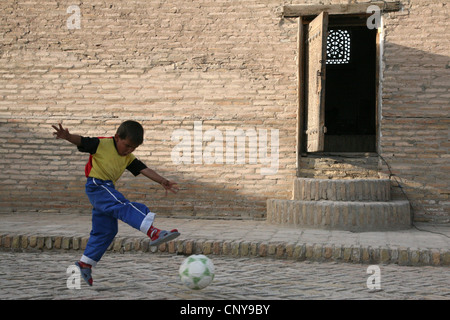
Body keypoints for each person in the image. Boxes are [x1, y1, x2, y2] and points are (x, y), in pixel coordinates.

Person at [52, 120, 180, 286]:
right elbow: (82, 141)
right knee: (122, 205)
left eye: (133, 148)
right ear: (117, 137)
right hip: (97, 185)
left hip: (106, 188)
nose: (129, 150)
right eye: (127, 145)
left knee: (106, 230)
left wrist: (163, 181)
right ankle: (153, 231)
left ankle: (85, 263)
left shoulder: (127, 157)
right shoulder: (101, 144)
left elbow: (143, 169)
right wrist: (68, 136)